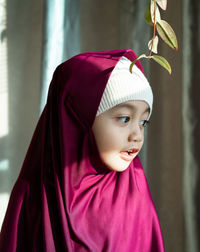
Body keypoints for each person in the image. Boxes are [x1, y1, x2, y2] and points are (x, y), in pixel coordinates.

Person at [0, 49, 164, 251]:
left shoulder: (135, 195)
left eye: (143, 122)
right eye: (124, 119)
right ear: (78, 120)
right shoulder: (33, 197)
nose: (137, 135)